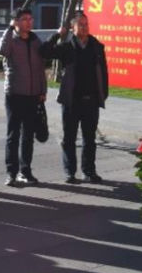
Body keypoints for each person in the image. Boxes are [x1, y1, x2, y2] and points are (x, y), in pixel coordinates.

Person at [43, 12, 109, 184]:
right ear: (73, 27)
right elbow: (45, 51)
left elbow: (103, 72)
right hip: (71, 101)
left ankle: (89, 171)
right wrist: (57, 35)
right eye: (81, 24)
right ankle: (70, 172)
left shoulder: (96, 46)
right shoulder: (67, 47)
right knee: (69, 139)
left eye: (86, 24)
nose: (85, 27)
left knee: (89, 139)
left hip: (91, 101)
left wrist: (103, 93)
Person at [0, 8, 49, 186]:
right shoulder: (10, 39)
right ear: (16, 22)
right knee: (13, 135)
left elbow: (40, 69)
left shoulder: (35, 41)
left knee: (28, 135)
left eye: (30, 19)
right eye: (25, 19)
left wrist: (43, 90)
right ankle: (11, 172)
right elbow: (2, 50)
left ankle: (25, 171)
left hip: (33, 95)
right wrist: (9, 29)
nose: (29, 22)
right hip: (15, 94)